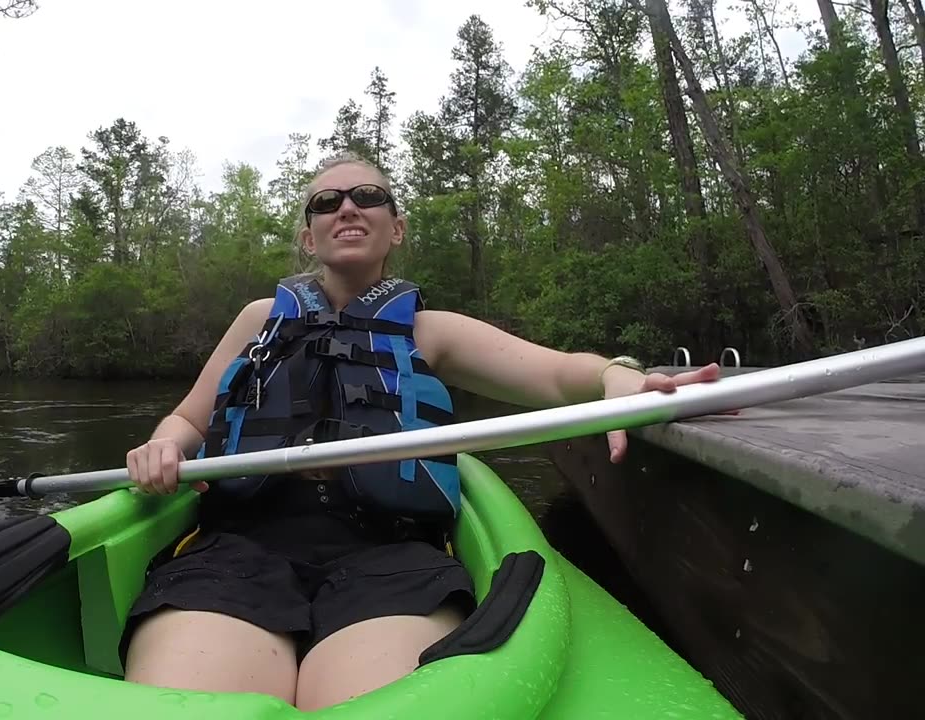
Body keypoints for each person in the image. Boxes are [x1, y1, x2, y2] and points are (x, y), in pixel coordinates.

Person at [119, 152, 722, 710]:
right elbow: (190, 419)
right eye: (325, 203)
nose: (346, 208)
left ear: (396, 228)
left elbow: (563, 375)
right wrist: (166, 443)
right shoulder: (259, 320)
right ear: (308, 237)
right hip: (240, 549)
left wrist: (617, 376)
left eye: (366, 196)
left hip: (388, 557)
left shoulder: (433, 331)